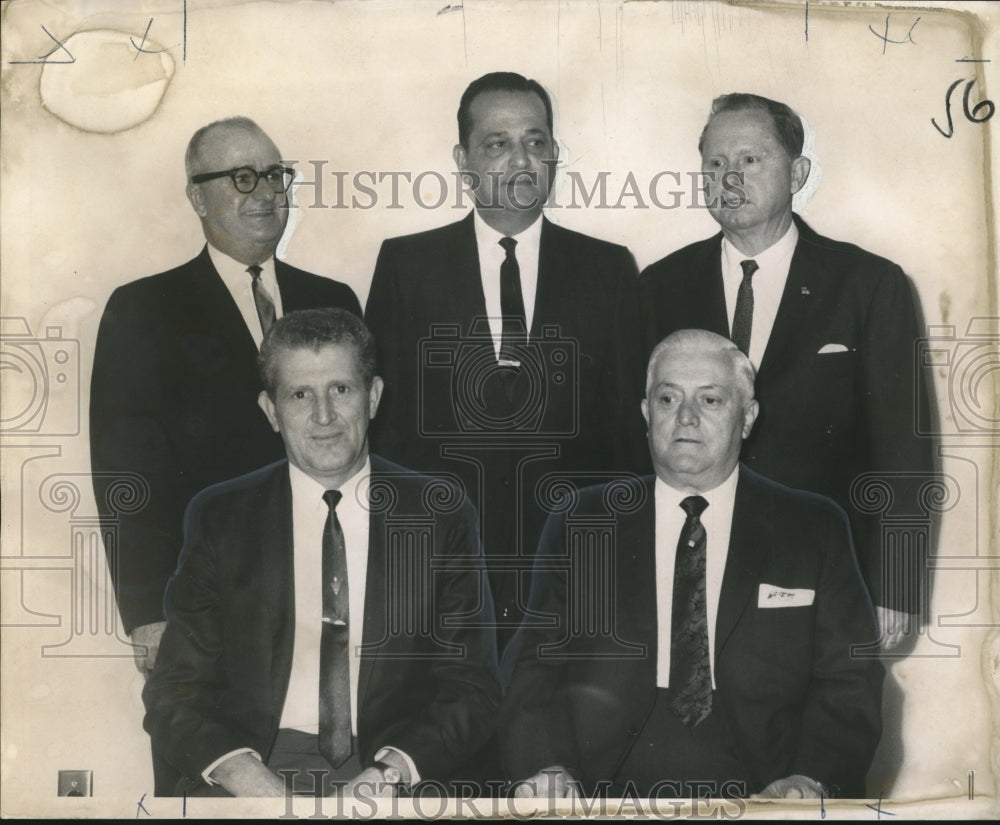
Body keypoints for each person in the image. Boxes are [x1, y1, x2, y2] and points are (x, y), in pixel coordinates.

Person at [500, 329, 883, 800]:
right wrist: (549, 765)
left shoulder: (814, 528)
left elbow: (849, 681)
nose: (685, 417)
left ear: (748, 417)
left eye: (711, 400)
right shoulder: (581, 521)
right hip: (602, 788)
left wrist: (809, 778)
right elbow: (534, 666)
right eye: (667, 398)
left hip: (764, 791)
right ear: (646, 414)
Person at [142, 308, 500, 797]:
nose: (324, 416)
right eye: (300, 394)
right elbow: (174, 693)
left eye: (341, 389)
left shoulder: (438, 513)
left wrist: (387, 776)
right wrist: (250, 780)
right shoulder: (221, 517)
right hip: (254, 766)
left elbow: (472, 689)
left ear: (372, 397)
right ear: (271, 410)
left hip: (390, 768)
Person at [638, 94, 934, 650]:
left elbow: (904, 447)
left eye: (750, 160)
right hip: (696, 574)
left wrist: (897, 585)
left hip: (830, 574)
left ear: (797, 172)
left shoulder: (868, 285)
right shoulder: (661, 286)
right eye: (715, 163)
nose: (729, 177)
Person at [365, 71, 648, 651]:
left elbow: (627, 434)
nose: (522, 158)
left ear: (554, 155)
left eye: (537, 141)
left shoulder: (609, 270)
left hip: (573, 572)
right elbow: (384, 433)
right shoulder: (406, 267)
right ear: (463, 160)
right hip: (440, 569)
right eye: (498, 143)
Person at [90, 116, 362, 677]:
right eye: (241, 177)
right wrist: (146, 613)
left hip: (329, 593)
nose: (264, 192)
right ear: (197, 196)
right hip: (203, 602)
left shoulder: (333, 300)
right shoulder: (143, 309)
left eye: (273, 175)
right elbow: (125, 472)